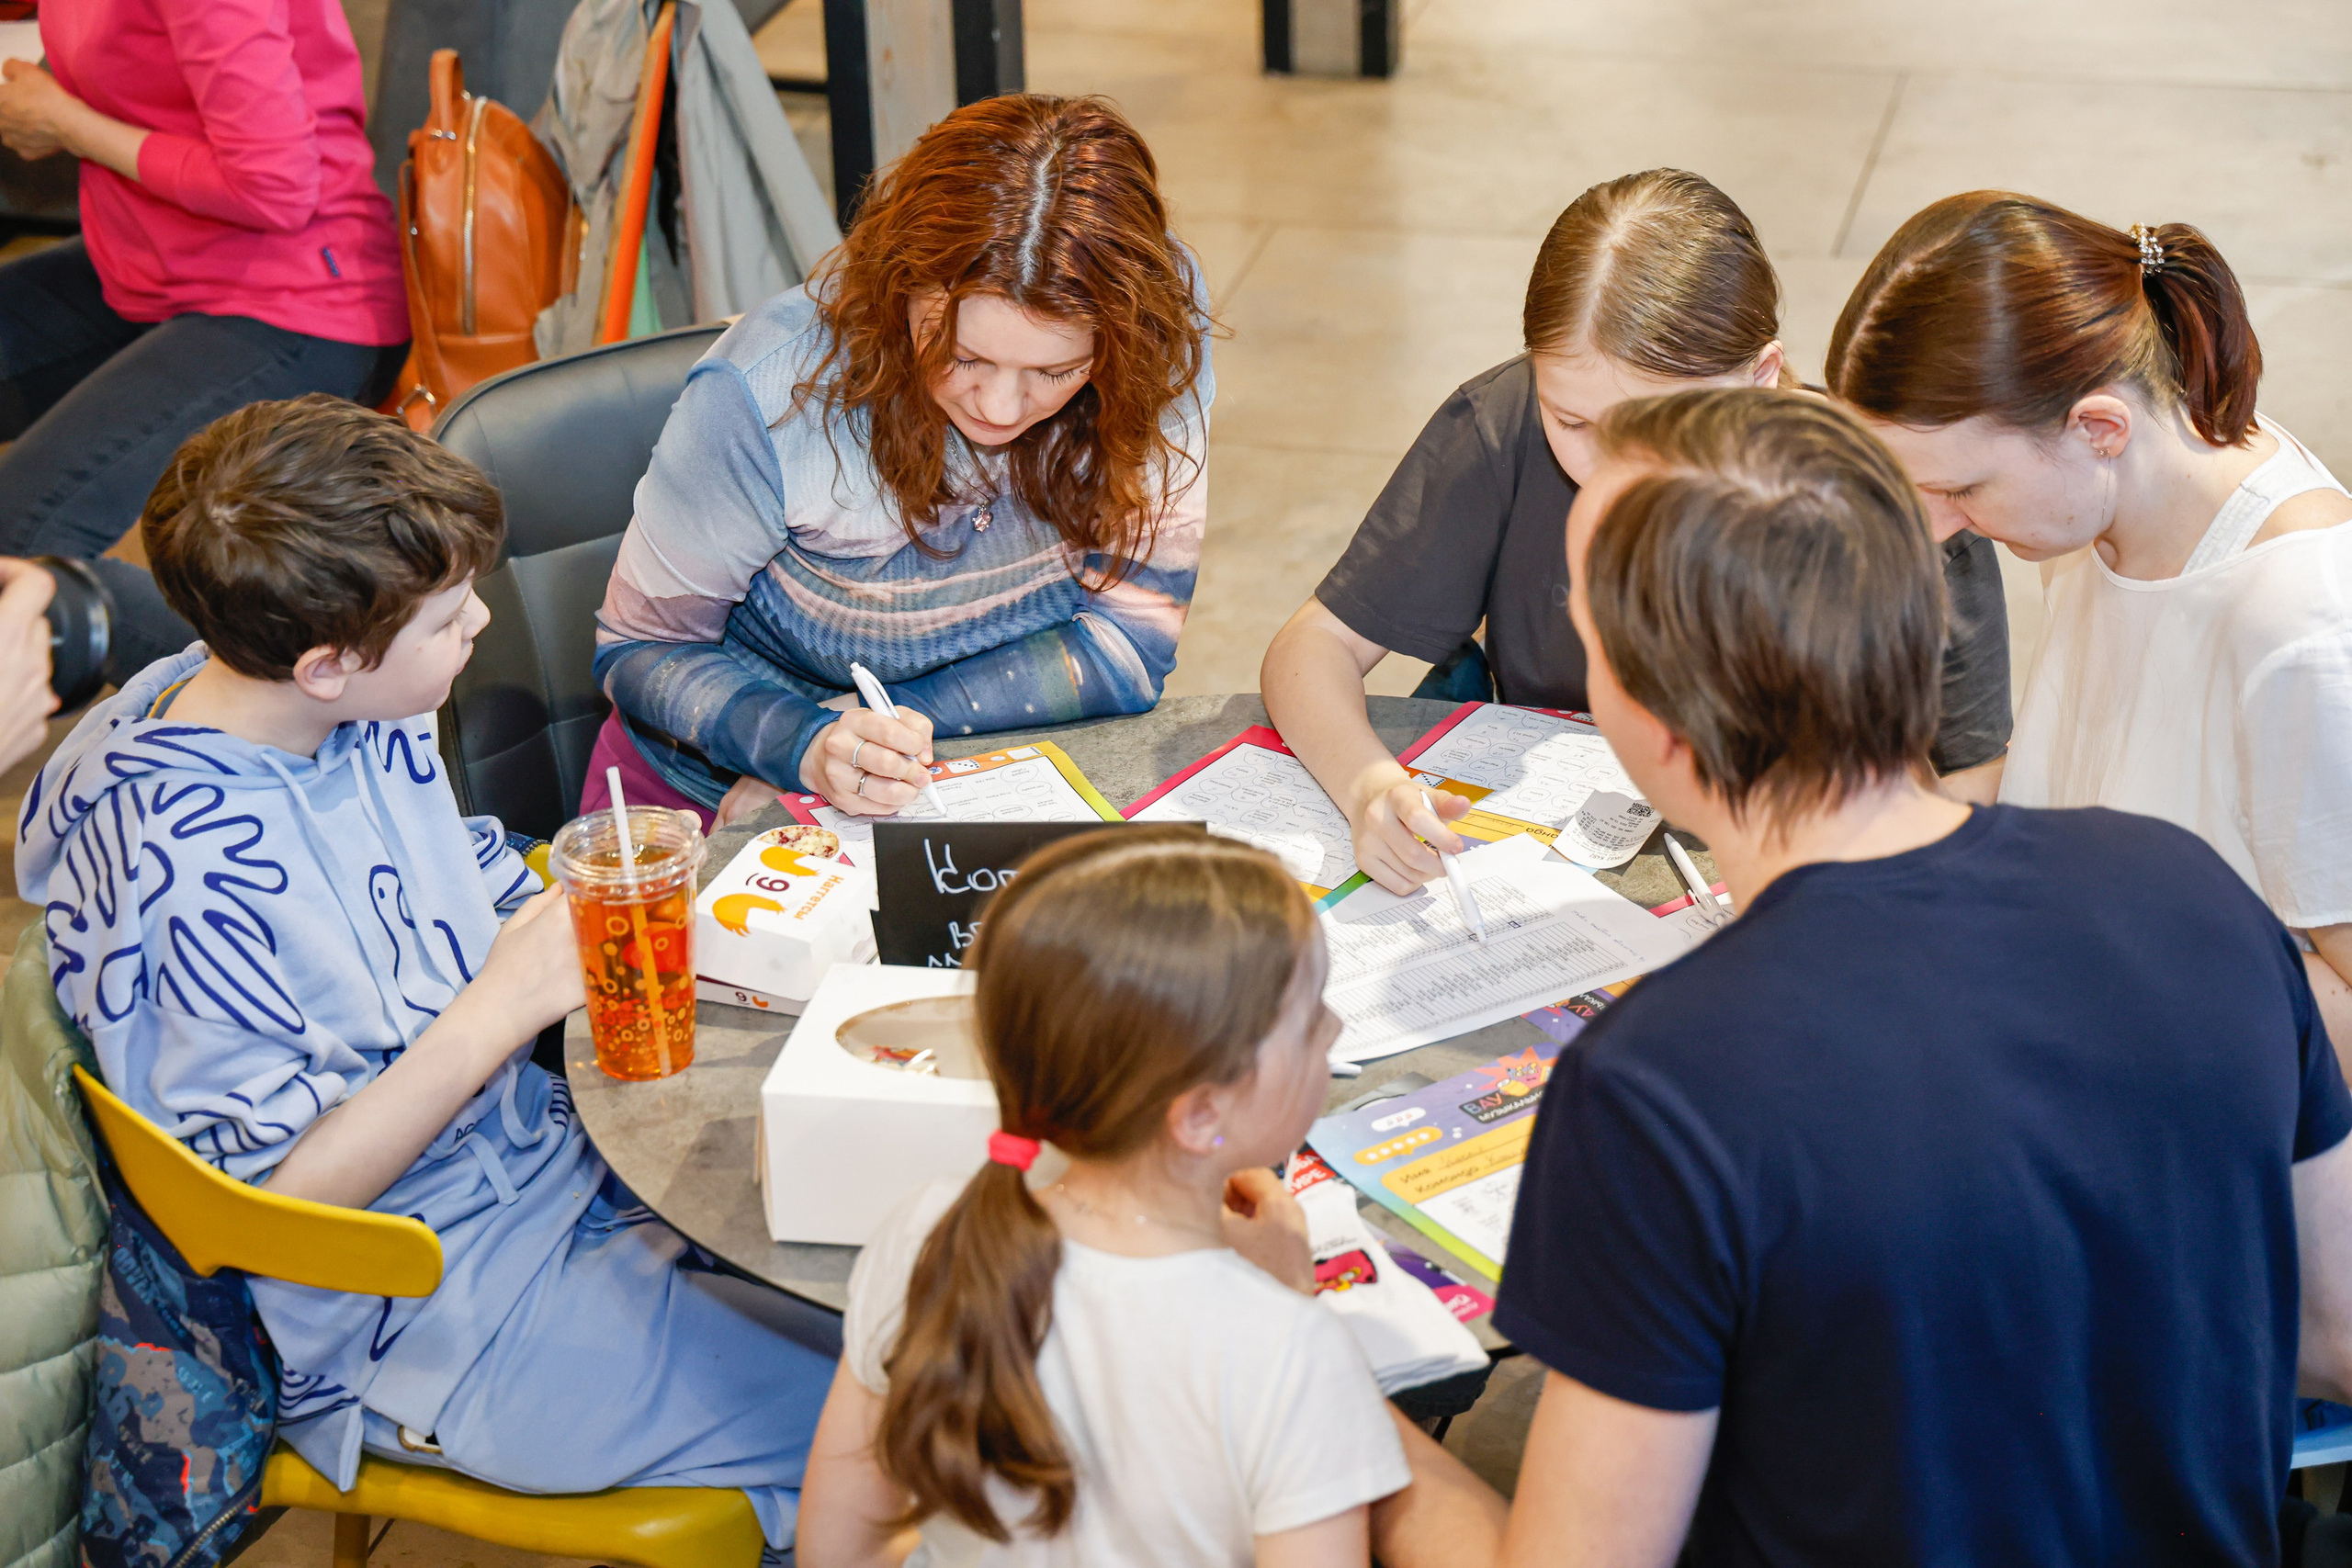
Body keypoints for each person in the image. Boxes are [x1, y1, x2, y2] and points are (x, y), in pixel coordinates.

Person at [1370, 389, 2352, 1568]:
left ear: (1647, 717)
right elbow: (2333, 1335)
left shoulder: (1660, 1085)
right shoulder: (2192, 897)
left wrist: (1322, 1408)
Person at [17, 398, 831, 1551]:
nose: (483, 622)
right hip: (427, 1310)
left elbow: (446, 881)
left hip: (560, 1172)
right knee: (897, 1414)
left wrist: (644, 883)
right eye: (451, 618)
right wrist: (497, 1010)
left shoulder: (318, 696)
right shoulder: (189, 867)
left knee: (909, 1299)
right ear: (327, 662)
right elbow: (270, 1209)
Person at [1261, 169, 2013, 895]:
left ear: (1760, 378)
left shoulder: (1885, 494)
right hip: (1546, 858)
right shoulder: (1503, 423)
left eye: (1657, 426)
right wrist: (1368, 785)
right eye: (1572, 421)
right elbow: (1314, 644)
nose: (1609, 466)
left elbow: (1970, 772)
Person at [1825, 192, 2352, 1064]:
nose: (1934, 526)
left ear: (2098, 427)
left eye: (1961, 488)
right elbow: (2086, 778)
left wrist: (2099, 989)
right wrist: (1873, 825)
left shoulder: (2303, 625)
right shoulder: (2103, 499)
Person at [591, 93, 1212, 832]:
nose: (1004, 408)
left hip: (981, 772)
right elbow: (642, 647)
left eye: (1055, 371)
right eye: (964, 355)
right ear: (899, 288)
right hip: (704, 794)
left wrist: (857, 734)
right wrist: (797, 744)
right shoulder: (769, 395)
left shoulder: (1151, 325)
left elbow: (1129, 645)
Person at [795, 828, 1411, 1567]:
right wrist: (1291, 1300)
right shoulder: (1293, 1353)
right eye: (1312, 1015)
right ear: (1201, 1114)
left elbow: (837, 1548)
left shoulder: (929, 1228)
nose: (1335, 1026)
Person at [0, 0, 410, 691]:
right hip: (156, 266)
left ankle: (306, 714)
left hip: (299, 300)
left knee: (19, 542)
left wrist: (65, 121)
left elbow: (274, 184)